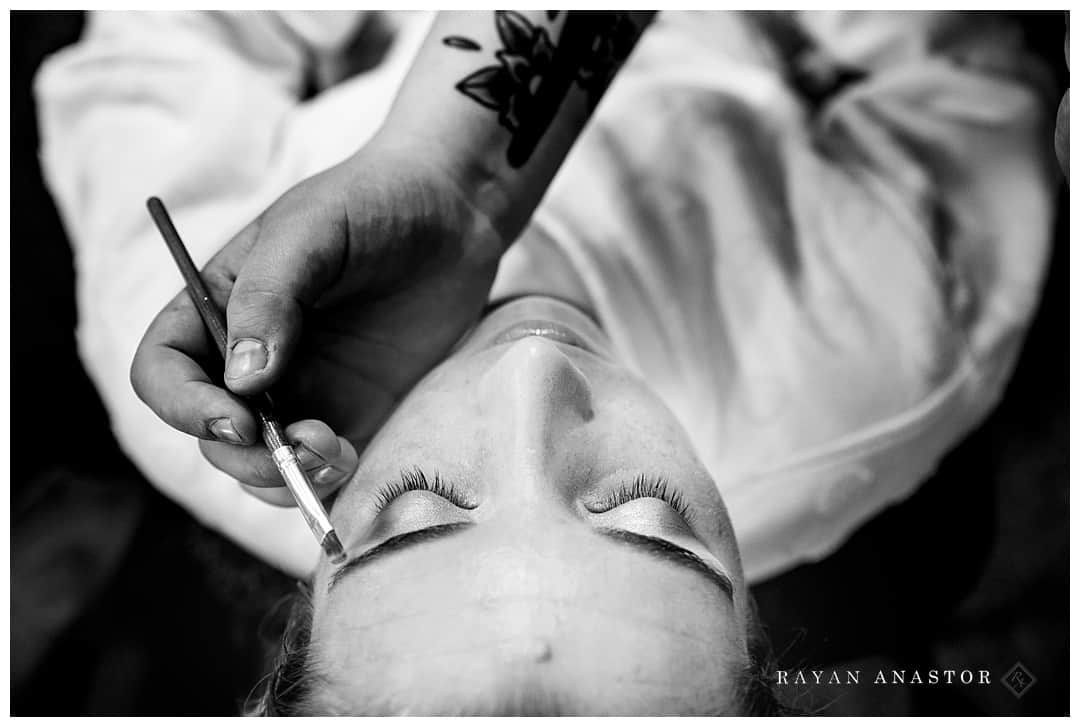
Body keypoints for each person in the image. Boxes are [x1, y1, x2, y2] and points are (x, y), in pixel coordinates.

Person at [37, 10, 1057, 715]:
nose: (531, 379)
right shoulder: (889, 351)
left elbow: (166, 42)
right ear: (755, 623)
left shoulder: (203, 344)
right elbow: (961, 71)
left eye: (421, 505)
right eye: (650, 510)